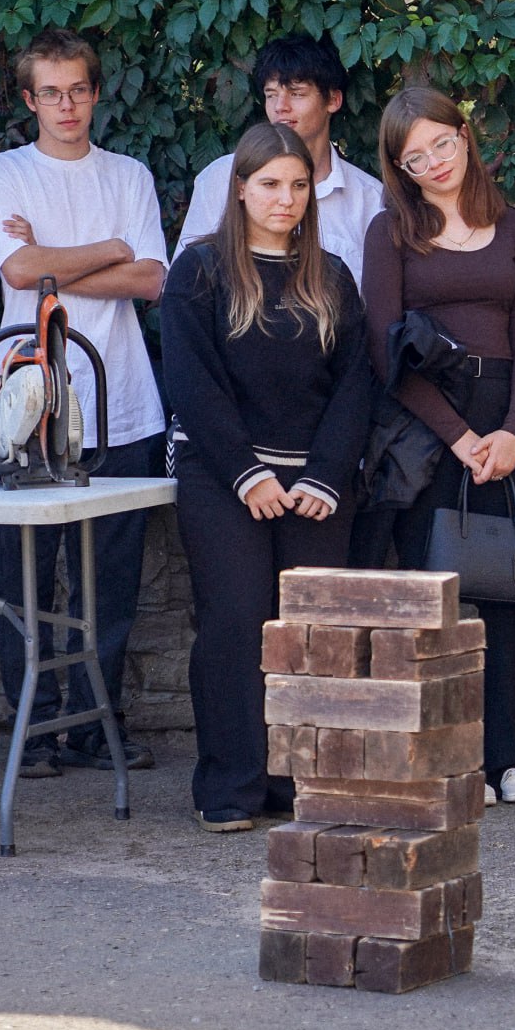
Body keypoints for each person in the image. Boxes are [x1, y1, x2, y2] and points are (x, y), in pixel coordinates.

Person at [161, 122, 372, 831]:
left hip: (314, 489)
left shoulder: (331, 275)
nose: (286, 200)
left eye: (298, 186)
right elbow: (193, 384)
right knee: (235, 624)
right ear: (242, 188)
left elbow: (355, 387)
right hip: (225, 479)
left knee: (307, 634)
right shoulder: (199, 272)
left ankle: (295, 783)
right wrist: (246, 472)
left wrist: (326, 477)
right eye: (270, 185)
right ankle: (230, 788)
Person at [0, 27, 170, 777]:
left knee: (109, 580)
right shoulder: (2, 172)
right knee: (26, 576)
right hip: (26, 406)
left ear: (95, 92)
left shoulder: (128, 174)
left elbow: (152, 280)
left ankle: (96, 725)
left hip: (122, 400)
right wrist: (109, 249)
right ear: (29, 99)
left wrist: (58, 262)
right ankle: (38, 727)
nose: (66, 105)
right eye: (50, 92)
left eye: (78, 89)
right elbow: (17, 271)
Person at [356, 85, 515, 807]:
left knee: (508, 592)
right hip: (424, 424)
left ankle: (511, 759)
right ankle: (437, 758)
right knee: (424, 591)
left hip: (502, 419)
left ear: (464, 137)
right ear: (400, 168)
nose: (433, 162)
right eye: (415, 157)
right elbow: (385, 351)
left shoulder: (508, 227)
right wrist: (461, 436)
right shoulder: (390, 233)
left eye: (442, 142)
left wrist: (511, 429)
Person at [174, 35, 380, 286]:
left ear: (333, 100)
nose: (280, 106)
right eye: (271, 94)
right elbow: (185, 284)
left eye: (296, 93)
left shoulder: (369, 198)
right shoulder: (221, 177)